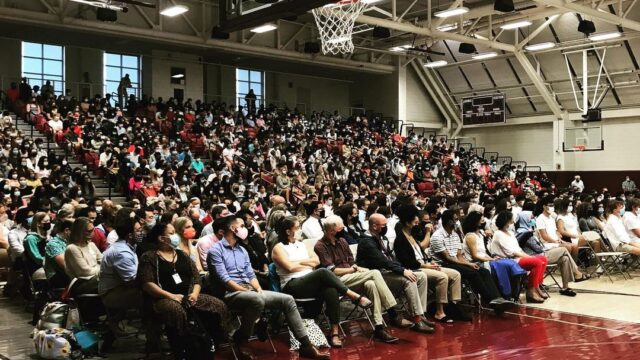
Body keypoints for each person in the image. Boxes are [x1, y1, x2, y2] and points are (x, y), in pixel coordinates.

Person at [207, 215, 330, 360]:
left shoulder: (242, 250)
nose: (245, 228)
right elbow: (224, 279)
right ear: (233, 228)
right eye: (241, 226)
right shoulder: (215, 251)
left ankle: (306, 345)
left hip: (250, 291)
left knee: (288, 300)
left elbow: (250, 274)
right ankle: (242, 337)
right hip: (230, 293)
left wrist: (258, 289)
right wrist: (247, 291)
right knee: (257, 300)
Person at [272, 216, 373, 348]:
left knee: (330, 288)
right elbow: (290, 268)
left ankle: (334, 332)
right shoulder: (278, 248)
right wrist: (307, 264)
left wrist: (300, 263)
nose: (300, 230)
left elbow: (317, 262)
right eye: (297, 228)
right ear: (287, 231)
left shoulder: (302, 244)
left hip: (311, 281)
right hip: (293, 284)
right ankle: (355, 296)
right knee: (323, 272)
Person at [139, 222, 234, 359]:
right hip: (162, 298)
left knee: (217, 305)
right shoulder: (149, 257)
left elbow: (196, 278)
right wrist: (171, 296)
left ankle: (211, 342)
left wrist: (194, 294)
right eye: (171, 233)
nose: (175, 236)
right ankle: (183, 349)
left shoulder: (182, 254)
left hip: (189, 294)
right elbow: (148, 284)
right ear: (161, 238)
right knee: (177, 311)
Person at [314, 215, 399, 343]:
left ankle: (379, 327)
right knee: (374, 273)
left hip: (352, 277)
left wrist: (354, 268)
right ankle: (392, 310)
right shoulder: (320, 246)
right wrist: (353, 269)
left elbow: (352, 261)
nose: (344, 230)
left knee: (371, 284)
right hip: (336, 281)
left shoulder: (342, 241)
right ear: (332, 230)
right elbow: (332, 271)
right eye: (341, 228)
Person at [356, 213, 435, 334]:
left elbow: (389, 259)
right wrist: (403, 270)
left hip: (385, 272)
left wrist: (402, 269)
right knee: (409, 279)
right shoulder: (366, 242)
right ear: (374, 226)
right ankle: (416, 319)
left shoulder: (379, 238)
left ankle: (421, 313)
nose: (386, 227)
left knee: (421, 276)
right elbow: (383, 262)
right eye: (384, 225)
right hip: (374, 275)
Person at [392, 204, 465, 323]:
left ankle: (453, 307)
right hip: (416, 267)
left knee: (455, 274)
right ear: (407, 223)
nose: (418, 224)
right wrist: (425, 265)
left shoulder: (412, 236)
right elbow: (407, 262)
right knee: (442, 277)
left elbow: (421, 251)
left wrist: (428, 263)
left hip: (425, 264)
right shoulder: (400, 240)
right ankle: (439, 312)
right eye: (415, 222)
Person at [430, 210, 514, 311]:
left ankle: (498, 298)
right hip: (443, 264)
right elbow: (447, 258)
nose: (458, 222)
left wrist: (469, 263)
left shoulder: (455, 235)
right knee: (473, 273)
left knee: (484, 271)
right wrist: (468, 265)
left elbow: (459, 256)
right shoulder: (437, 236)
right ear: (449, 222)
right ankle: (491, 301)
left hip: (456, 262)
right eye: (455, 220)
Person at [99, 208, 147, 346]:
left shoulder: (129, 246)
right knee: (152, 296)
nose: (141, 233)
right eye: (138, 230)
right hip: (112, 293)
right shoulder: (122, 253)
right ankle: (153, 336)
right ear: (129, 235)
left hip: (120, 288)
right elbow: (132, 281)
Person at [515, 211, 589, 296]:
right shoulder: (524, 233)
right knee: (563, 249)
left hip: (541, 253)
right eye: (531, 218)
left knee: (565, 258)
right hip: (535, 257)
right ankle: (576, 272)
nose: (533, 219)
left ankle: (565, 287)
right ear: (525, 219)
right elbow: (539, 249)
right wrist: (552, 246)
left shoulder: (529, 230)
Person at [462, 211, 526, 301]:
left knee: (508, 262)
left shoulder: (480, 233)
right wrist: (491, 259)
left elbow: (484, 252)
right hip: (477, 262)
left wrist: (492, 258)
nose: (483, 221)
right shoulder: (470, 236)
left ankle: (512, 293)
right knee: (504, 265)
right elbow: (475, 256)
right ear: (475, 221)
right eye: (481, 219)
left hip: (486, 259)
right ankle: (505, 293)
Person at [490, 211, 548, 303]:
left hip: (517, 257)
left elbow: (518, 249)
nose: (514, 221)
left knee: (543, 259)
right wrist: (528, 257)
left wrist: (527, 256)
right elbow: (511, 252)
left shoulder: (511, 233)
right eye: (512, 219)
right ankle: (530, 291)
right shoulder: (498, 234)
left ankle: (536, 286)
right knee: (536, 262)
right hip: (508, 260)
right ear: (507, 221)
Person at [65, 217, 102, 296]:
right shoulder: (72, 248)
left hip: (95, 279)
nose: (92, 233)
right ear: (79, 232)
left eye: (93, 230)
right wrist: (102, 269)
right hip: (80, 284)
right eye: (89, 231)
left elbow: (104, 261)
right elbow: (85, 272)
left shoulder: (91, 245)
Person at [44, 219, 73, 288]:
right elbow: (65, 265)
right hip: (57, 277)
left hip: (70, 274)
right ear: (66, 231)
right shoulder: (53, 244)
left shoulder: (70, 241)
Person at [23, 212, 51, 276]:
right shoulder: (31, 238)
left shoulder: (46, 236)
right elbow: (37, 258)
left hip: (47, 264)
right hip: (35, 267)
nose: (48, 223)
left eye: (49, 220)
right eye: (46, 221)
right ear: (38, 223)